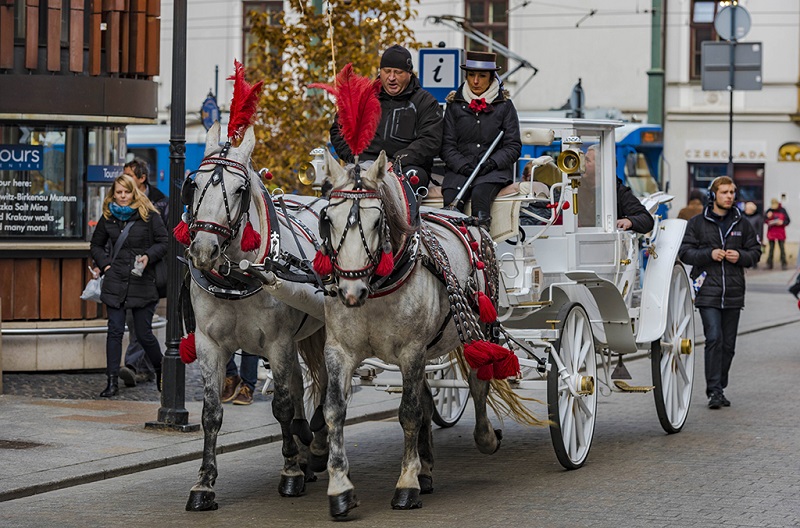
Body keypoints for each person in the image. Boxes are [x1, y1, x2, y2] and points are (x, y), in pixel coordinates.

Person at [678, 176, 761, 409]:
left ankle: (720, 385)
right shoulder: (697, 223)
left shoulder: (742, 223)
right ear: (713, 195)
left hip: (734, 291)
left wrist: (742, 257)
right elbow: (685, 252)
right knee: (714, 338)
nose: (729, 196)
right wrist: (709, 254)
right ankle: (714, 391)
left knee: (729, 345)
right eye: (724, 192)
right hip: (707, 291)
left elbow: (755, 252)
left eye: (732, 192)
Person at [90, 174, 168, 397]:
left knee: (143, 334)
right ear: (113, 194)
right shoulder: (108, 217)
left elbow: (164, 243)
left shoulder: (149, 215)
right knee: (114, 331)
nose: (122, 197)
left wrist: (148, 256)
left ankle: (161, 369)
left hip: (142, 279)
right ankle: (112, 381)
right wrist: (105, 266)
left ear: (134, 192)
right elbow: (96, 245)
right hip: (116, 281)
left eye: (126, 192)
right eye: (119, 193)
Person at [329, 44, 443, 194]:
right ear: (380, 71)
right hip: (363, 166)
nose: (391, 78)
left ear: (409, 73)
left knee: (408, 184)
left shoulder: (425, 102)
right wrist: (353, 156)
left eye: (398, 72)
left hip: (406, 168)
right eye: (387, 71)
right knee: (334, 193)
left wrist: (397, 162)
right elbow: (339, 130)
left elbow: (430, 140)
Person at [440, 51, 521, 225]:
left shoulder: (505, 105)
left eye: (482, 76)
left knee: (480, 197)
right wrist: (462, 166)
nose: (475, 81)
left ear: (492, 77)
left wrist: (492, 163)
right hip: (459, 172)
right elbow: (447, 145)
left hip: (492, 173)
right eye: (471, 75)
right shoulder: (454, 105)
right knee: (451, 201)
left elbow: (513, 146)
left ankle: (482, 246)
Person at [117, 159, 168, 388]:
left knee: (142, 325)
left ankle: (136, 366)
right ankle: (147, 367)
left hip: (150, 274)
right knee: (136, 323)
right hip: (127, 274)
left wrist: (149, 255)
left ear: (141, 178)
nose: (124, 180)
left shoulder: (160, 203)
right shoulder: (121, 204)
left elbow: (165, 239)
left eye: (128, 175)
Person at [579, 145, 654, 234]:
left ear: (601, 167)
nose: (582, 164)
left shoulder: (618, 192)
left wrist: (630, 221)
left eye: (587, 160)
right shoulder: (574, 188)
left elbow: (647, 220)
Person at [764, 198, 790, 270]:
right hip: (771, 232)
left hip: (780, 232)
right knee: (771, 249)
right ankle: (769, 264)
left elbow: (788, 220)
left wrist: (782, 222)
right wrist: (767, 217)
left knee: (782, 249)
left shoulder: (783, 210)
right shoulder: (769, 210)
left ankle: (784, 264)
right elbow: (764, 220)